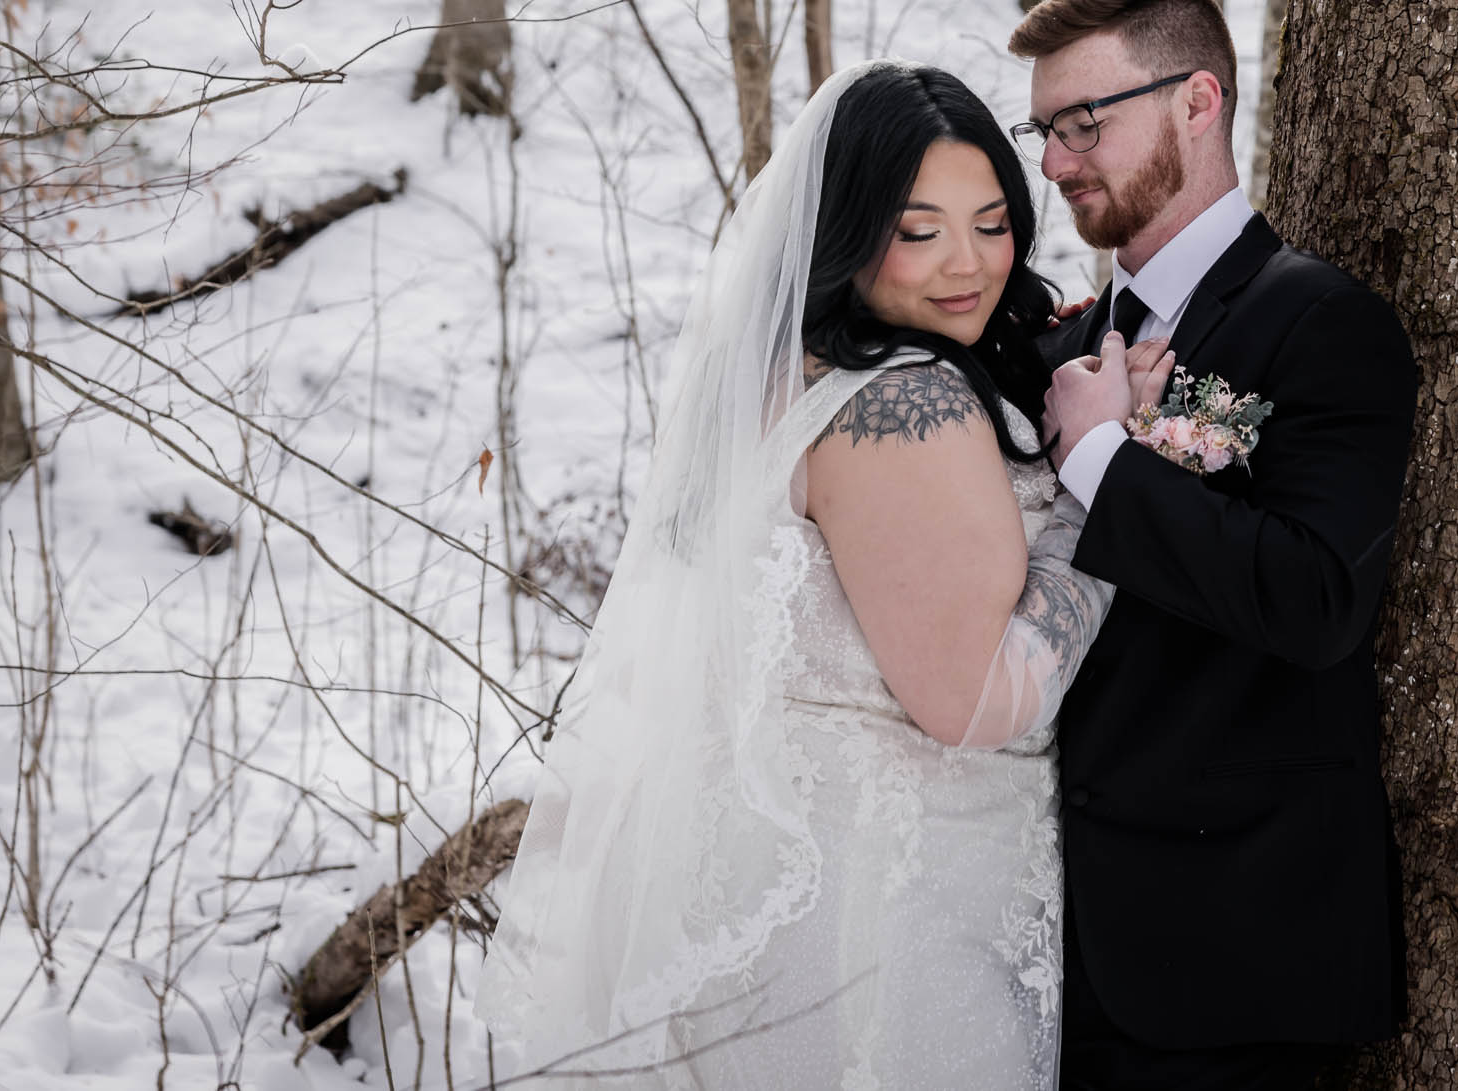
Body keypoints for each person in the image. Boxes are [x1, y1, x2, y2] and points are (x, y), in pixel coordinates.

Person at [478, 60, 1171, 1088]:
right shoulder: (910, 403)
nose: (967, 263)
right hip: (892, 930)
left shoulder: (790, 371)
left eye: (990, 221)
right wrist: (1100, 483)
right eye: (917, 227)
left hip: (785, 898)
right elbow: (978, 698)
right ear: (847, 227)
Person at [1012, 0, 1421, 1090]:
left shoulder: (1321, 321)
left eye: (1084, 121)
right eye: (1043, 128)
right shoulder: (1060, 347)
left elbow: (1315, 596)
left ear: (1197, 101)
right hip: (1050, 958)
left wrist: (1102, 453)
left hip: (1238, 955)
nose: (1053, 161)